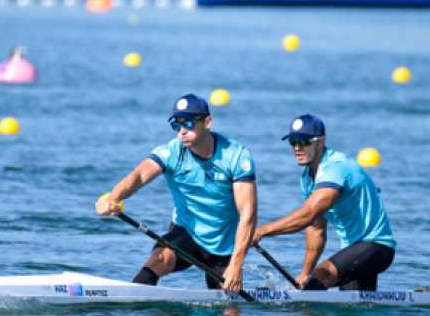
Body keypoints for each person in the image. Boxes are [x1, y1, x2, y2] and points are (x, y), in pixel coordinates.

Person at [96, 94, 257, 292]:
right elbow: (138, 176)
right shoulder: (172, 152)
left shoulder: (236, 156)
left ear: (207, 122)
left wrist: (236, 265)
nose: (182, 132)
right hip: (186, 233)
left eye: (188, 124)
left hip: (225, 243)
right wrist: (114, 198)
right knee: (157, 260)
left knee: (229, 315)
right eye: (176, 126)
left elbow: (248, 215)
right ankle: (133, 311)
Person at [252, 114, 396, 290]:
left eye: (303, 142)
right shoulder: (308, 178)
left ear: (320, 142)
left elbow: (308, 214)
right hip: (354, 250)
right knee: (354, 313)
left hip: (376, 247)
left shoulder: (335, 167)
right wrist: (305, 273)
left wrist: (262, 231)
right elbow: (316, 228)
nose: (297, 148)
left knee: (322, 276)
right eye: (293, 142)